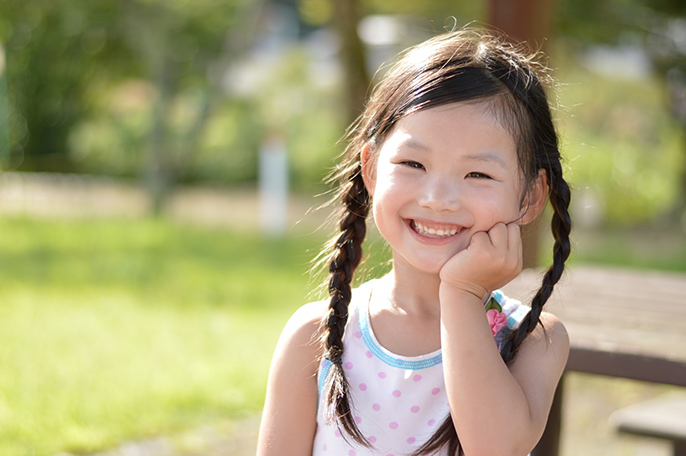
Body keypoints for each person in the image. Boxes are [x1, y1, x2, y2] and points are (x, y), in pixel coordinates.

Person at [257, 28, 572, 456]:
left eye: (477, 174)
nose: (437, 199)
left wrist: (462, 294)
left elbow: (495, 448)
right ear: (370, 170)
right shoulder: (317, 336)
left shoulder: (533, 340)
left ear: (531, 196)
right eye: (413, 163)